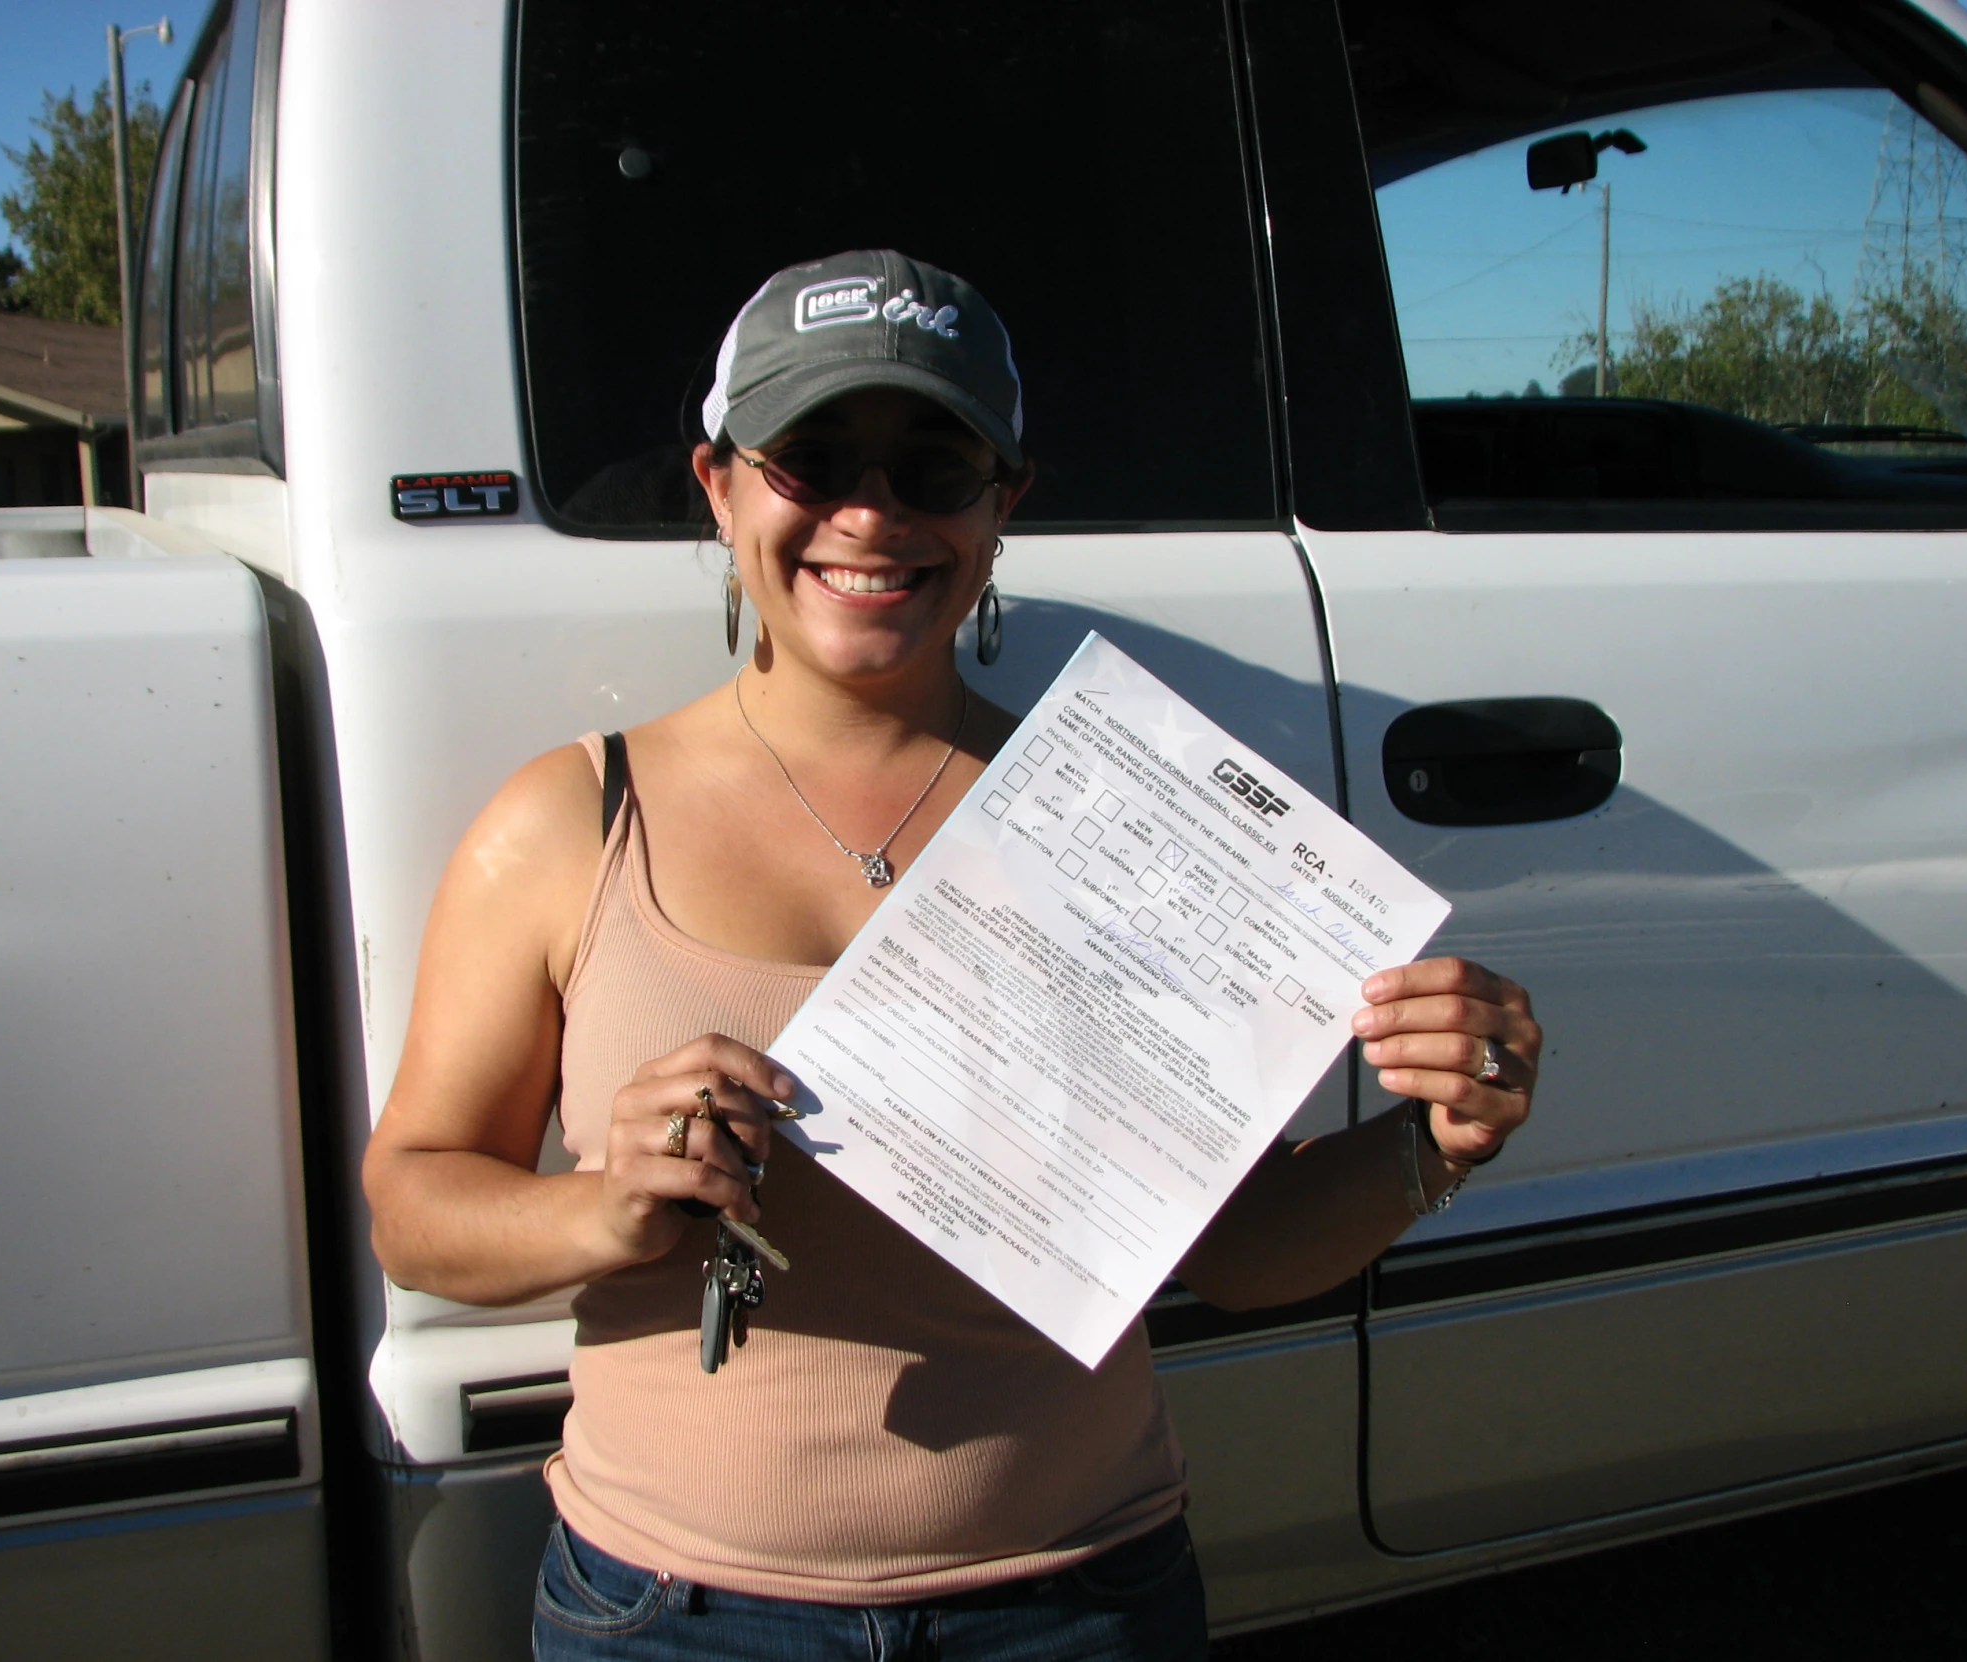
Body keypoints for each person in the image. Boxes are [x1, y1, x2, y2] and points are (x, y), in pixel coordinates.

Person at [362, 250, 1541, 1660]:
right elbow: (413, 1203)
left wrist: (1437, 1141)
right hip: (673, 1618)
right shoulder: (570, 818)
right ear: (720, 483)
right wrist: (606, 1208)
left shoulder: (1117, 819)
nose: (871, 513)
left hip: (1073, 1603)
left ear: (1004, 505)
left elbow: (1233, 1245)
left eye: (935, 466)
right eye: (811, 459)